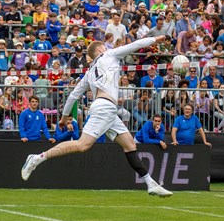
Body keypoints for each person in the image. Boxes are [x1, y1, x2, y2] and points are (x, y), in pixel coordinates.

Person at [20, 35, 173, 197]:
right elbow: (136, 44)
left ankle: (150, 184)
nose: (107, 48)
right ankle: (37, 158)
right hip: (104, 109)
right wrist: (157, 38)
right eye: (105, 47)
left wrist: (64, 117)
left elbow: (73, 96)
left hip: (108, 111)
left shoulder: (89, 72)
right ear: (101, 49)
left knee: (129, 145)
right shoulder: (110, 55)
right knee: (82, 145)